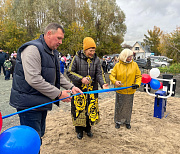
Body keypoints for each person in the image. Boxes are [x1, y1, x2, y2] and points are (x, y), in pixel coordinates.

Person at [9, 23, 82, 152]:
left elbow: (57, 74)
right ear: (49, 33)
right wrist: (59, 94)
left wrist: (71, 87)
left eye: (61, 39)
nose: (60, 42)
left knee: (39, 135)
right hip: (28, 104)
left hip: (41, 100)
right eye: (58, 38)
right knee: (30, 139)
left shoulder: (52, 52)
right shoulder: (32, 49)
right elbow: (34, 79)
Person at [67, 37, 109, 139]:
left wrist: (103, 84)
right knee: (79, 109)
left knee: (91, 109)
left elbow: (99, 73)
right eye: (90, 50)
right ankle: (79, 130)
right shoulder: (76, 58)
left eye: (94, 50)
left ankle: (88, 128)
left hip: (92, 90)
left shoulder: (97, 60)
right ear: (85, 50)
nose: (92, 53)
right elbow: (69, 72)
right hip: (79, 90)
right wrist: (81, 79)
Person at [109, 49, 142, 129]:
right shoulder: (117, 65)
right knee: (119, 106)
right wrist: (115, 81)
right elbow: (112, 76)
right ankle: (118, 121)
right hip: (120, 90)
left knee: (128, 107)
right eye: (129, 56)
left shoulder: (134, 65)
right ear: (124, 56)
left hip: (130, 90)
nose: (131, 58)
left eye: (131, 56)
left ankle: (127, 121)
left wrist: (137, 84)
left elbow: (138, 76)